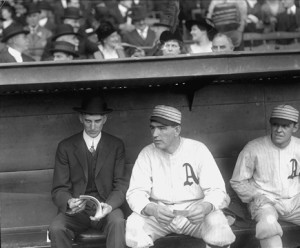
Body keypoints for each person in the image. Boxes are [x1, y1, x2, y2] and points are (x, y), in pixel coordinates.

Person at [126, 105, 236, 248]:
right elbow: (135, 193)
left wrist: (205, 207)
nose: (155, 134)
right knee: (134, 225)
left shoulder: (198, 149)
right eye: (152, 128)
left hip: (194, 213)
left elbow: (217, 190)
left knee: (218, 225)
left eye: (162, 128)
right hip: (160, 213)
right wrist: (152, 209)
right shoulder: (147, 153)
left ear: (177, 130)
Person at [49, 95, 129, 248]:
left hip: (106, 208)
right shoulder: (65, 147)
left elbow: (121, 185)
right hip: (77, 211)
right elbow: (59, 188)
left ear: (104, 119)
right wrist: (69, 202)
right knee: (56, 228)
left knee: (118, 222)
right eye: (88, 121)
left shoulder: (116, 145)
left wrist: (109, 206)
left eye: (97, 121)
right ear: (81, 118)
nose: (93, 127)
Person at [230, 104, 300, 248]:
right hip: (265, 201)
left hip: (295, 202)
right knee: (268, 226)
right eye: (275, 125)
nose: (279, 130)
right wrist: (255, 195)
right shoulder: (254, 147)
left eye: (285, 126)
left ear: (295, 127)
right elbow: (238, 181)